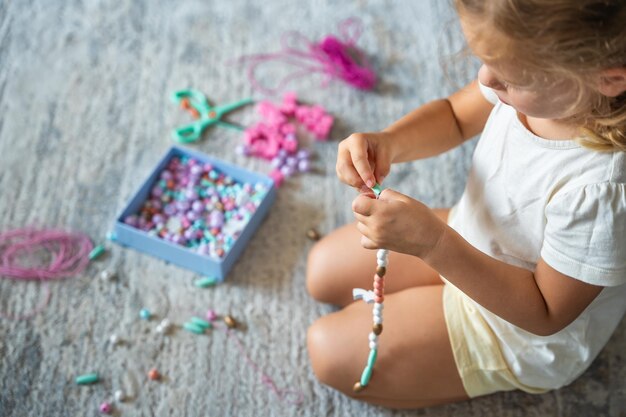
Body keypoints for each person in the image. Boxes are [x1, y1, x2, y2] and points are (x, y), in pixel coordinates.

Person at [306, 0, 626, 409]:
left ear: (608, 79)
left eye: (510, 76)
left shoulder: (602, 191)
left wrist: (434, 244)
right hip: (470, 234)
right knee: (322, 269)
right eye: (485, 60)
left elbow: (546, 312)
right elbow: (456, 117)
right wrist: (388, 143)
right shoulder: (533, 84)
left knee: (328, 351)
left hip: (511, 327)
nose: (486, 79)